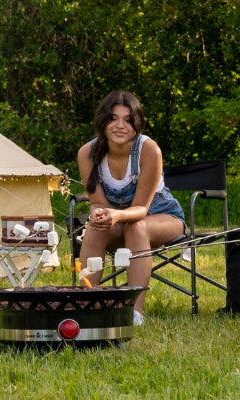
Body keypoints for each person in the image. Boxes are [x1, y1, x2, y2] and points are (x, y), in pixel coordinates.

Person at [75, 90, 185, 326]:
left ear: (137, 124)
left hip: (161, 216)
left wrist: (117, 215)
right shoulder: (87, 153)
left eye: (127, 120)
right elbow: (98, 203)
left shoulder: (149, 150)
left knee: (137, 227)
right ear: (102, 121)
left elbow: (141, 209)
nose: (120, 125)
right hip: (119, 221)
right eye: (113, 118)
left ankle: (134, 312)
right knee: (95, 227)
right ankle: (86, 303)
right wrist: (98, 213)